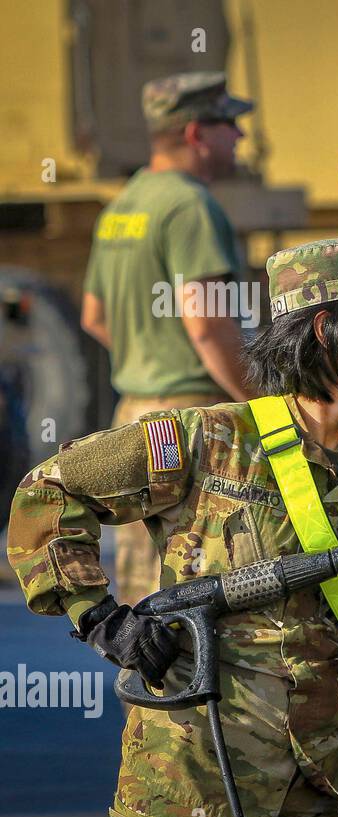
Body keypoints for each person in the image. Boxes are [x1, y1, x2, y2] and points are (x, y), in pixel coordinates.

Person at [7, 238, 338, 817]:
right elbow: (51, 488)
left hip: (316, 800)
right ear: (330, 329)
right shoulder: (206, 440)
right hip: (190, 791)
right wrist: (99, 618)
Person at [80, 71, 257, 607]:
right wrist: (266, 403)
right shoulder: (190, 207)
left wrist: (151, 361)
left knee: (144, 594)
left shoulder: (122, 207)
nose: (240, 137)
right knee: (200, 587)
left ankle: (147, 693)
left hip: (134, 417)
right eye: (230, 124)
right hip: (193, 421)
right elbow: (207, 324)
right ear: (198, 133)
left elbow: (94, 316)